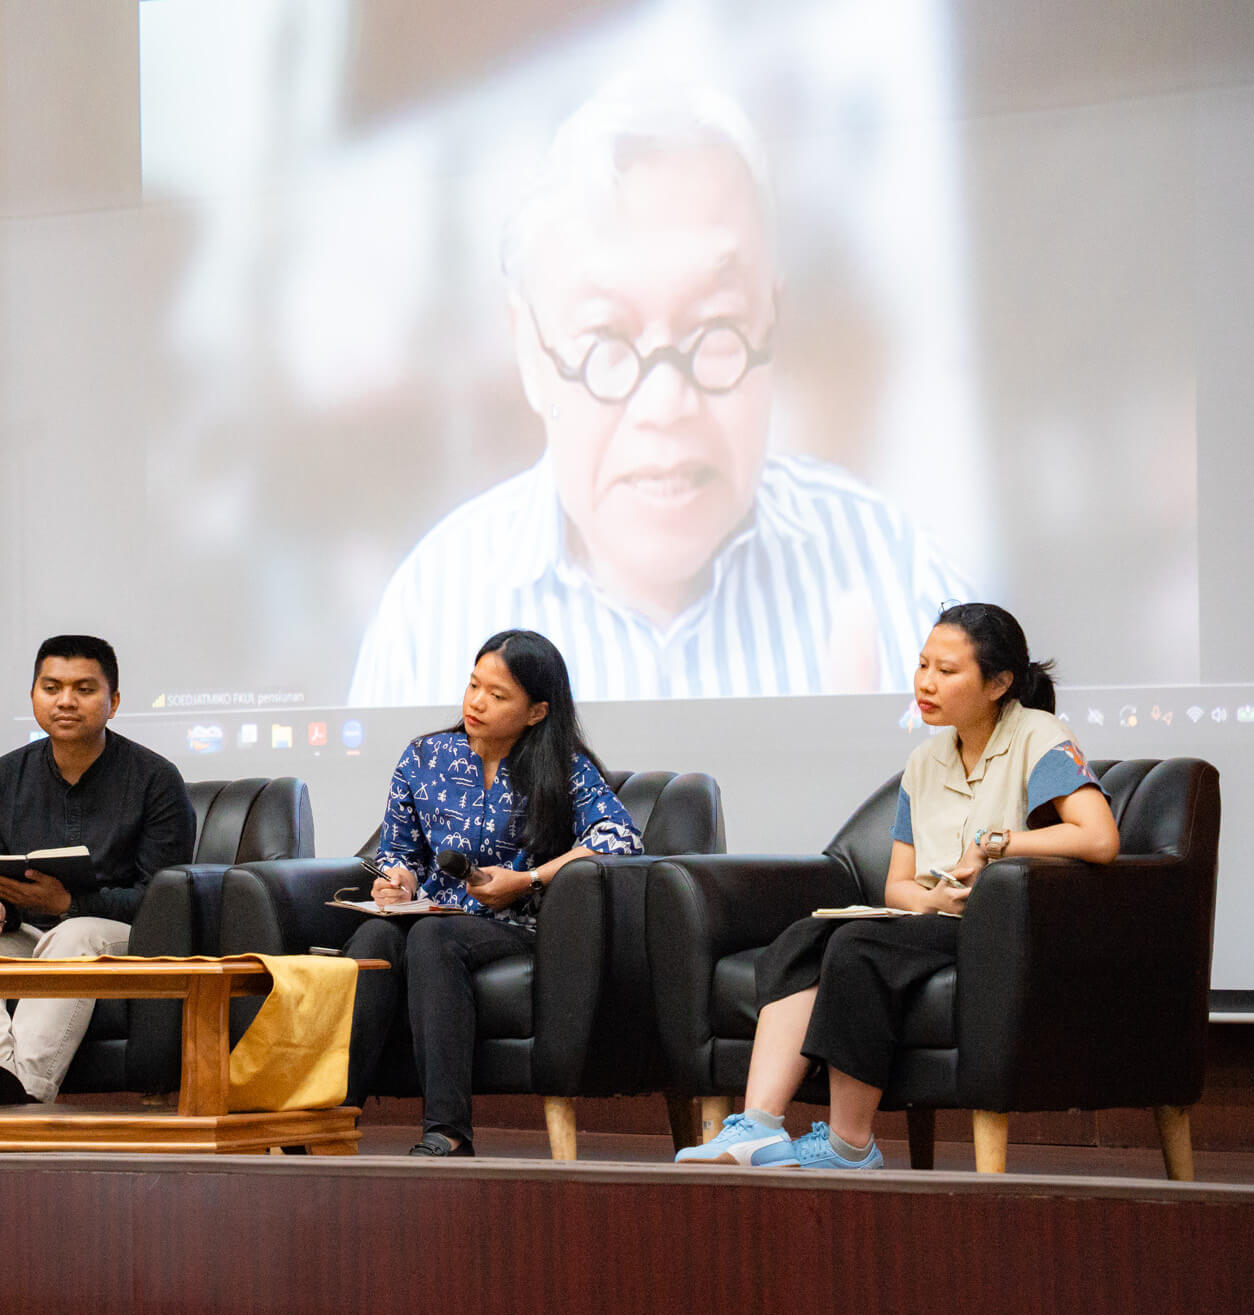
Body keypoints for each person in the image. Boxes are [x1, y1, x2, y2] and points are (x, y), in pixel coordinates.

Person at [349, 83, 970, 706]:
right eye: (606, 341)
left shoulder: (897, 576)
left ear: (771, 320)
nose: (666, 403)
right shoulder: (432, 616)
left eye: (717, 328)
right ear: (532, 355)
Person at [676, 603, 1120, 1170]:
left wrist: (995, 844)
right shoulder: (925, 760)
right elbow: (898, 886)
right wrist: (929, 900)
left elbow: (1099, 838)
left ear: (999, 683)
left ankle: (850, 1145)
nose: (926, 683)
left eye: (947, 670)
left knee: (857, 948)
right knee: (804, 939)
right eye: (922, 665)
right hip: (936, 919)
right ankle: (758, 1126)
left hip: (1000, 927)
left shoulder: (1040, 736)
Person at [346, 629, 643, 1156]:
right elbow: (398, 849)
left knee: (432, 940)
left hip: (518, 924)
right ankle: (328, 1116)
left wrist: (528, 880)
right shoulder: (425, 757)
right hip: (433, 913)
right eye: (473, 685)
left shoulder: (563, 767)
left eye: (497, 695)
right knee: (374, 940)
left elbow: (620, 839)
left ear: (536, 712)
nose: (476, 702)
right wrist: (399, 880)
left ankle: (448, 1132)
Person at [0, 635, 197, 1104]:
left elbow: (164, 902)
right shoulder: (1, 779)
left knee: (75, 934)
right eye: (51, 688)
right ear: (34, 695)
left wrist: (69, 904)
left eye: (84, 689)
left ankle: (27, 1094)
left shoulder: (155, 779)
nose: (66, 701)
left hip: (125, 939)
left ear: (114, 702)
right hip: (31, 934)